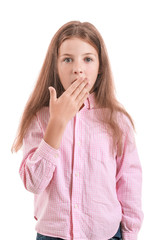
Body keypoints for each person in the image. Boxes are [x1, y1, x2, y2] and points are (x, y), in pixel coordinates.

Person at [12, 21, 143, 240]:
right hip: (52, 235)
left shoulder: (117, 120)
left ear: (100, 66)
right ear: (56, 65)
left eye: (88, 59)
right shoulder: (40, 118)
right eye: (67, 59)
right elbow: (33, 184)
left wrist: (130, 235)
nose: (78, 68)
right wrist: (58, 122)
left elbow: (129, 182)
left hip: (107, 234)